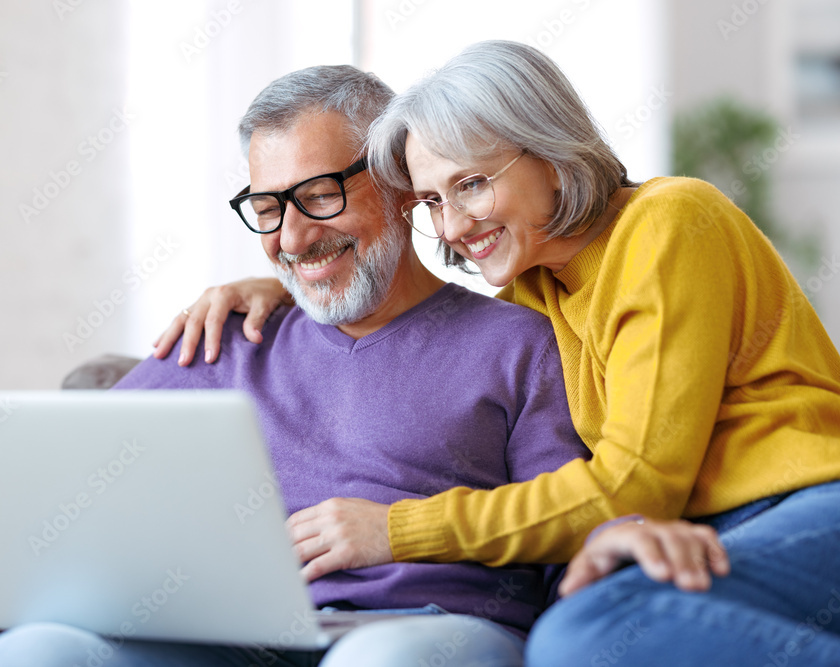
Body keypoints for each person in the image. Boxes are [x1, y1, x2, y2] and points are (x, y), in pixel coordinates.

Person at [0, 64, 603, 667]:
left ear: (398, 182)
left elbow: (569, 523)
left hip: (430, 627)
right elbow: (57, 460)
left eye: (317, 194)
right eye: (266, 207)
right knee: (36, 654)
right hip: (224, 640)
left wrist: (410, 535)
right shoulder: (230, 336)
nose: (292, 236)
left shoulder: (519, 342)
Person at [154, 41, 840, 665]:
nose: (453, 225)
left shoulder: (667, 221)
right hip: (686, 536)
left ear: (550, 152)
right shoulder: (535, 289)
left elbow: (637, 484)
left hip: (804, 501)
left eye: (472, 184)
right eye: (431, 200)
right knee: (587, 633)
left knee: (585, 635)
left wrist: (395, 530)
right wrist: (287, 284)